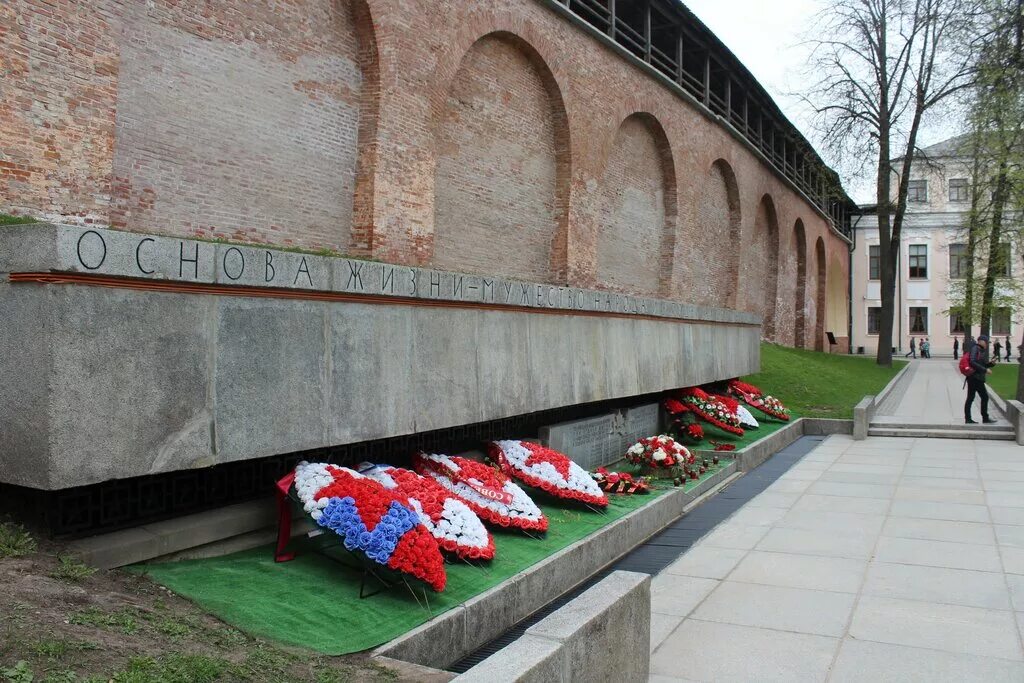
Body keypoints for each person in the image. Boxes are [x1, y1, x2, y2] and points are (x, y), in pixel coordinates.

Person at [965, 334, 996, 424]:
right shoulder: (976, 349)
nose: (987, 344)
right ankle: (984, 418)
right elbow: (972, 361)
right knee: (984, 397)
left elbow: (981, 364)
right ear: (981, 341)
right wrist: (985, 370)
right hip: (975, 378)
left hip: (974, 377)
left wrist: (991, 364)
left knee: (971, 398)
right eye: (986, 342)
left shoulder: (979, 350)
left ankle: (969, 418)